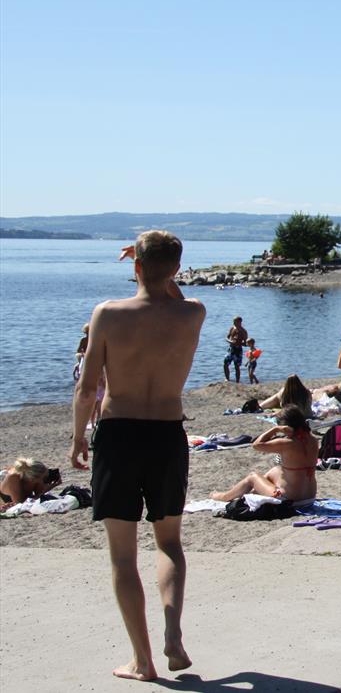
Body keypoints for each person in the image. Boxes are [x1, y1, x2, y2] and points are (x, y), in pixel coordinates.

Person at [69, 231, 205, 681]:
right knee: (169, 543)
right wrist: (159, 272)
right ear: (177, 271)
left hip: (119, 434)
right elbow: (172, 296)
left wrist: (77, 437)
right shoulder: (192, 314)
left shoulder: (107, 314)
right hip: (167, 434)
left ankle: (142, 661)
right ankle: (173, 635)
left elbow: (88, 388)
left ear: (136, 267)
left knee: (123, 556)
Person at [208, 405, 319, 503]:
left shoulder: (287, 443)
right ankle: (252, 490)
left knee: (253, 476)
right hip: (309, 496)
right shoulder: (314, 440)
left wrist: (275, 430)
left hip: (289, 498)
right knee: (276, 470)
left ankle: (224, 496)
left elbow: (256, 445)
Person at [223, 316, 247, 382]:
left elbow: (245, 344)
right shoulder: (232, 328)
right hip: (231, 349)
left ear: (240, 322)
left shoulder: (243, 331)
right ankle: (227, 378)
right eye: (233, 321)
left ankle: (237, 381)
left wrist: (238, 343)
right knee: (225, 363)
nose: (233, 322)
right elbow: (226, 337)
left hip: (238, 350)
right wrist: (230, 341)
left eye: (235, 321)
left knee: (237, 366)